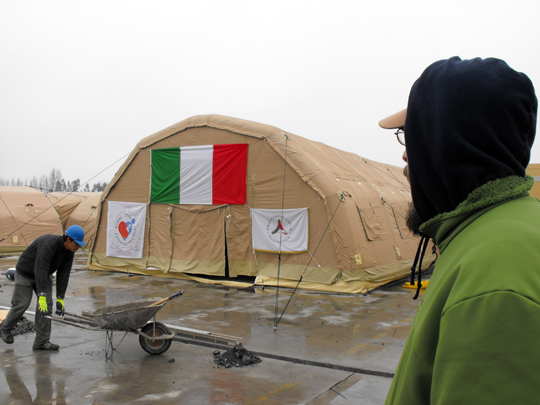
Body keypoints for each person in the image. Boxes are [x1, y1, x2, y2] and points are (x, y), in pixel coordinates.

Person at [379, 57, 539, 404]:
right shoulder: (489, 237)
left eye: (411, 134)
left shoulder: (496, 282)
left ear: (449, 140)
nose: (406, 157)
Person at [1, 225, 85, 350]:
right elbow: (40, 268)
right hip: (25, 273)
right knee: (22, 304)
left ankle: (41, 342)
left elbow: (64, 274)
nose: (78, 247)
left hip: (43, 274)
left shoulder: (69, 252)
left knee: (46, 307)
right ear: (68, 239)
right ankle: (5, 329)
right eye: (77, 244)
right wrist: (41, 295)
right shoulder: (48, 244)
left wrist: (60, 298)